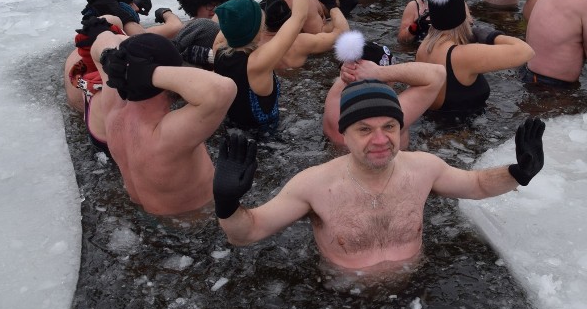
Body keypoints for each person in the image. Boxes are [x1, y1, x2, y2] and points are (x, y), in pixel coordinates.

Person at [213, 88, 547, 272]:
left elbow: (475, 185)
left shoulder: (423, 168)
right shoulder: (312, 185)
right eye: (364, 129)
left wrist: (519, 173)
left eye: (389, 126)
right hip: (341, 299)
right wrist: (228, 203)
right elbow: (250, 232)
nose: (380, 139)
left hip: (417, 289)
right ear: (344, 134)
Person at [84, 29, 236, 217]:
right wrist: (150, 73)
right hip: (194, 222)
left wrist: (113, 57)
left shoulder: (113, 105)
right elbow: (223, 88)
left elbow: (103, 36)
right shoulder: (167, 134)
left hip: (143, 213)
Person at [211, 0, 315, 130]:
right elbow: (299, 16)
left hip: (230, 128)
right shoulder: (258, 63)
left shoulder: (220, 46)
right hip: (265, 142)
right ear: (257, 29)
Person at [416, 0, 534, 111]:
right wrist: (490, 35)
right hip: (461, 130)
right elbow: (526, 51)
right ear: (461, 17)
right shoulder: (462, 55)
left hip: (433, 125)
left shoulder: (424, 47)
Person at [323, 31, 445, 148]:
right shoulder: (384, 117)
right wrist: (381, 72)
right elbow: (438, 74)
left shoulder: (336, 93)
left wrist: (350, 67)